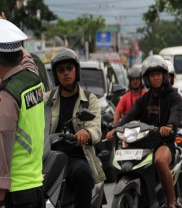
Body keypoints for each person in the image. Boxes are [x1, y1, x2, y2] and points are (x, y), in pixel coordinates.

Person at [0, 12, 45, 208]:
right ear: (20, 54)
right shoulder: (33, 79)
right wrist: (9, 32)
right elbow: (28, 61)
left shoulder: (7, 95)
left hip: (14, 192)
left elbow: (3, 142)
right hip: (34, 185)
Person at [106, 55, 182, 208]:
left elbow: (175, 114)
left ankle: (171, 202)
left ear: (164, 76)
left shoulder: (174, 97)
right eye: (152, 75)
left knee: (160, 160)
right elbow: (129, 116)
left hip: (165, 143)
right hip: (144, 143)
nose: (155, 78)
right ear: (147, 78)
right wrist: (115, 128)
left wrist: (169, 126)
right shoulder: (144, 99)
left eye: (158, 74)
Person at [45, 47, 105, 208]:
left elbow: (95, 128)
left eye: (69, 68)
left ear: (76, 70)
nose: (66, 73)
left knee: (82, 173)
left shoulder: (89, 100)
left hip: (76, 157)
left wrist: (86, 132)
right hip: (47, 156)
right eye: (61, 70)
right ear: (56, 75)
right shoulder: (46, 99)